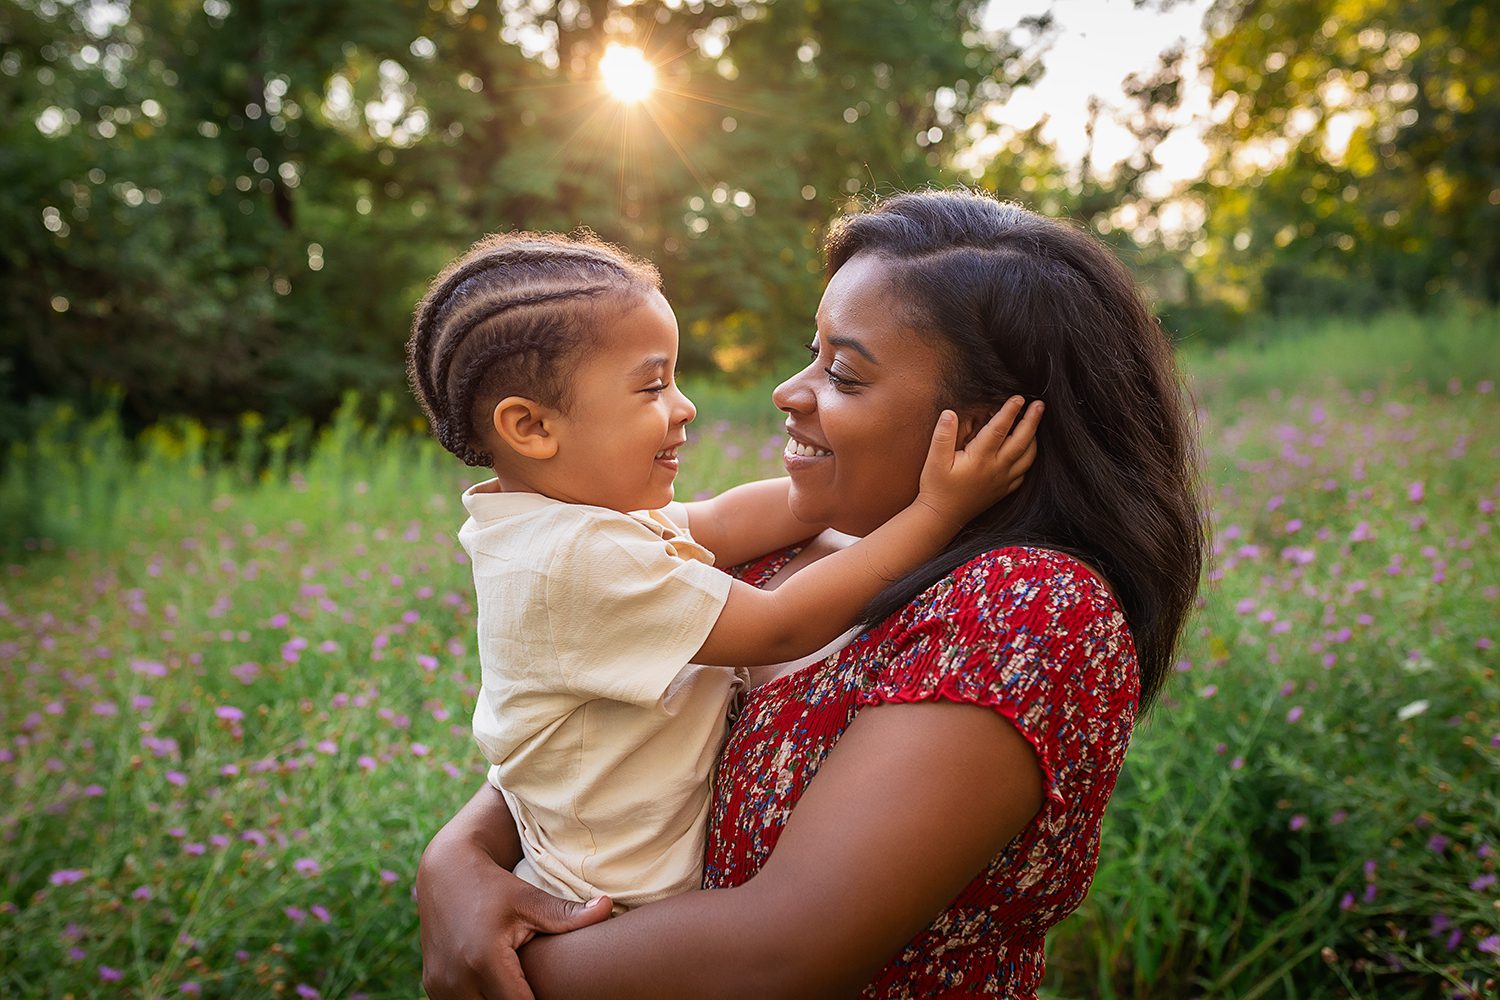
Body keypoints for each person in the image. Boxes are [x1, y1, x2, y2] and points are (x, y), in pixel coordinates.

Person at [417, 190, 1204, 999]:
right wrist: (453, 862)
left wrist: (498, 969)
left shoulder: (1025, 611)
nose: (789, 392)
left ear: (984, 427)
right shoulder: (791, 552)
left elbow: (782, 953)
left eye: (845, 374)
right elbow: (584, 733)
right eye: (811, 350)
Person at [405, 231, 1040, 911]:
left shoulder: (565, 521)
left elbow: (721, 523)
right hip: (608, 908)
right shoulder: (572, 560)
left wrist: (828, 488)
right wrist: (936, 510)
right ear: (531, 428)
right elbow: (776, 625)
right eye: (652, 385)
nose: (684, 406)